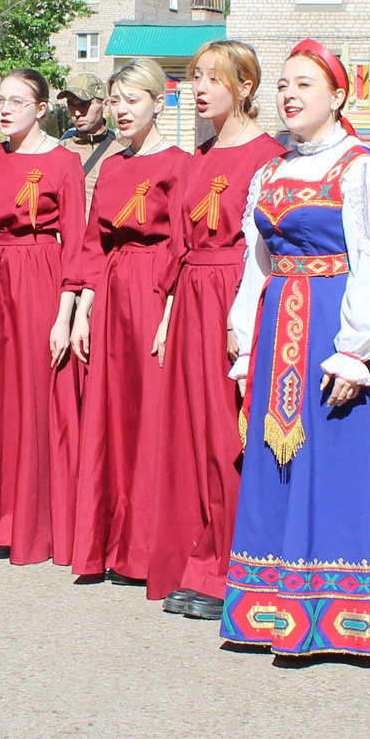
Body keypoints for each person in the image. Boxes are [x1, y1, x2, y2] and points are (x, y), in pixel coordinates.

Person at [219, 40, 370, 662]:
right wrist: (246, 334)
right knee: (278, 461)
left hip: (334, 329)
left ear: (337, 96)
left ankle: (344, 613)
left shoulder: (363, 171)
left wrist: (356, 350)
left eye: (305, 84)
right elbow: (259, 262)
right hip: (283, 325)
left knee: (335, 460)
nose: (289, 94)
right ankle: (273, 609)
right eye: (283, 84)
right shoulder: (271, 173)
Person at [128, 40, 279, 619]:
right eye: (194, 77)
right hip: (192, 297)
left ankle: (228, 569)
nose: (199, 88)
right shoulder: (200, 156)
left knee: (225, 436)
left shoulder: (269, 157)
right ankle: (190, 560)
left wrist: (245, 320)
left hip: (234, 296)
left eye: (212, 78)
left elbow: (265, 248)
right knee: (188, 435)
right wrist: (167, 314)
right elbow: (177, 244)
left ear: (244, 87)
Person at [0, 70, 86, 565]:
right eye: (1, 100)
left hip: (41, 278)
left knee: (34, 397)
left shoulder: (64, 162)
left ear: (41, 107)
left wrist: (64, 315)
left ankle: (37, 525)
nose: (5, 108)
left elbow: (75, 240)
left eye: (18, 101)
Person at [66, 58, 191, 584]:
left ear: (158, 102)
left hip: (153, 292)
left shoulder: (180, 165)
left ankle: (147, 548)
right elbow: (95, 245)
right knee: (113, 419)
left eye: (132, 100)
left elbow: (181, 246)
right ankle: (113, 543)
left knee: (151, 419)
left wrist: (167, 314)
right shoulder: (112, 166)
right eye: (115, 100)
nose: (121, 110)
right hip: (114, 292)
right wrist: (83, 312)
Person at [57, 71, 118, 200]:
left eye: (84, 104)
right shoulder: (60, 150)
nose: (77, 113)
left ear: (105, 105)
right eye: (71, 105)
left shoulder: (123, 149)